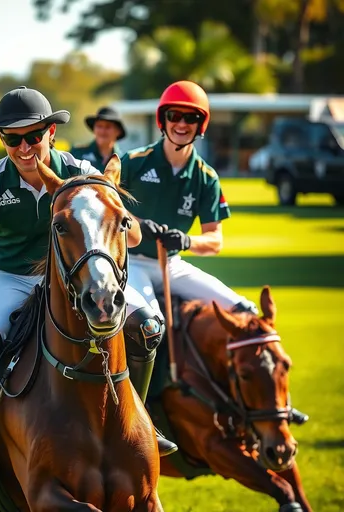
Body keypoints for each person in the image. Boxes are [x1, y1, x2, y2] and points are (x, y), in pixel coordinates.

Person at [0, 86, 176, 484]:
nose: (24, 147)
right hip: (11, 278)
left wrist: (116, 213)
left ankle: (138, 420)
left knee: (148, 328)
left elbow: (131, 236)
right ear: (1, 138)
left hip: (76, 279)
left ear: (51, 133)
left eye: (33, 136)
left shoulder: (80, 175)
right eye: (12, 138)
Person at [119, 80, 308, 425]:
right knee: (149, 326)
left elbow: (215, 241)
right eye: (174, 115)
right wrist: (139, 226)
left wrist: (185, 240)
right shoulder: (133, 162)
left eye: (190, 118)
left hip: (172, 263)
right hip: (131, 263)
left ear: (200, 126)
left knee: (248, 312)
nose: (181, 124)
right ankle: (138, 416)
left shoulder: (206, 177)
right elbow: (108, 210)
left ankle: (280, 404)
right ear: (163, 119)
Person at [70, 106, 126, 170]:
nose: (102, 131)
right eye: (99, 126)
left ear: (118, 131)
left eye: (108, 126)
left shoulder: (123, 161)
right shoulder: (77, 154)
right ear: (94, 129)